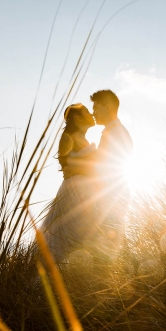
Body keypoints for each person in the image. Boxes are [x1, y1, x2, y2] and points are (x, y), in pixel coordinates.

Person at [39, 103, 97, 263]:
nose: (92, 114)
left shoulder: (83, 139)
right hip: (75, 191)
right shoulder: (69, 138)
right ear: (78, 118)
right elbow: (67, 169)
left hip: (85, 189)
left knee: (83, 234)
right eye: (87, 112)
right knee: (72, 234)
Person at [89, 89, 133, 256]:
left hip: (111, 196)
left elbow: (107, 167)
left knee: (107, 247)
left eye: (95, 108)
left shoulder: (116, 132)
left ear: (107, 107)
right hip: (111, 195)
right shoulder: (114, 131)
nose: (93, 113)